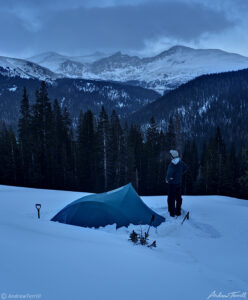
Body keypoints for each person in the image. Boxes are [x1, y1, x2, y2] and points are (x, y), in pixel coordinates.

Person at [166, 150, 187, 217]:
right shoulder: (181, 163)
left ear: (172, 156)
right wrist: (180, 175)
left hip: (172, 184)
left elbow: (169, 175)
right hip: (179, 183)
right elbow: (186, 168)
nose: (170, 157)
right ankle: (178, 211)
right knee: (178, 198)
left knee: (171, 198)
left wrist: (167, 179)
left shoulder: (172, 164)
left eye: (170, 155)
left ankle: (172, 212)